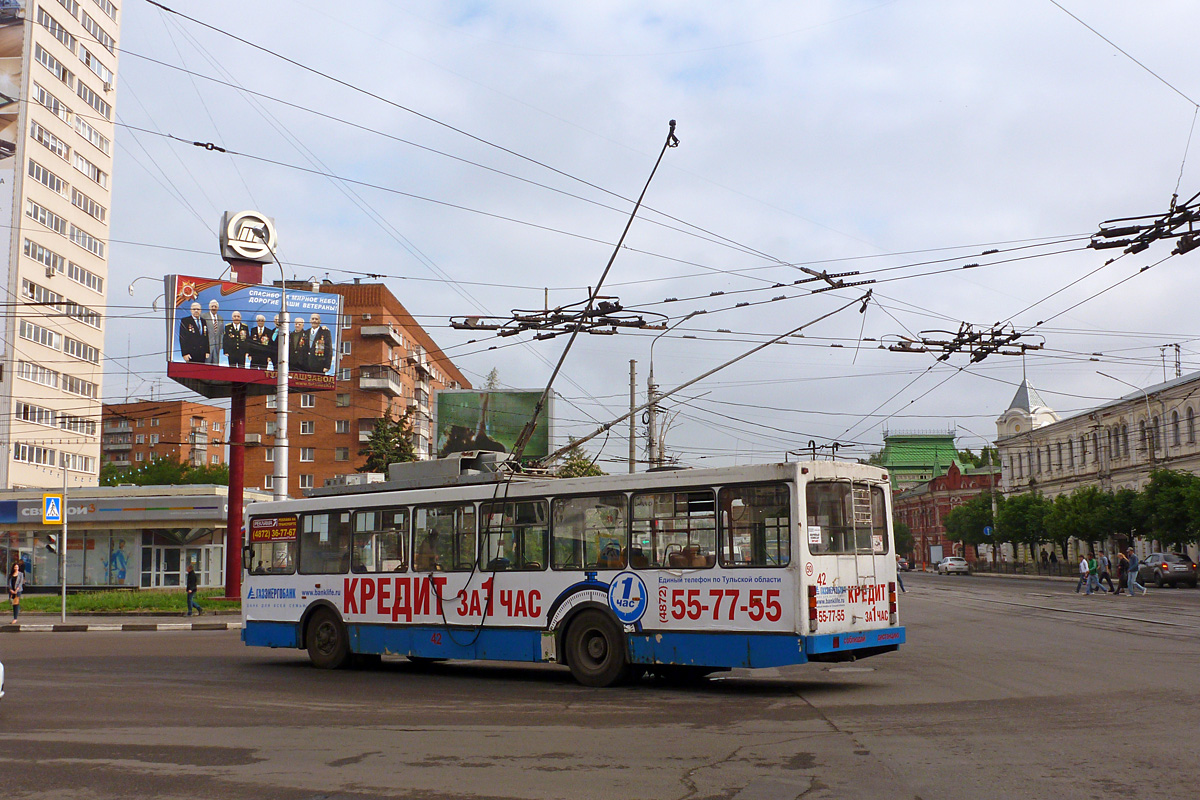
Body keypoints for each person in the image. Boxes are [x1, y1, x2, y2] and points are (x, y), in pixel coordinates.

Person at [205, 299, 224, 364]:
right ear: (209, 307)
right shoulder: (204, 316)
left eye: (215, 307)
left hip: (217, 346)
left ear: (218, 308)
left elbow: (221, 333)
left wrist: (221, 345)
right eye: (212, 306)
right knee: (206, 365)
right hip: (207, 346)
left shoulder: (220, 318)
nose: (214, 308)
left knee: (215, 365)